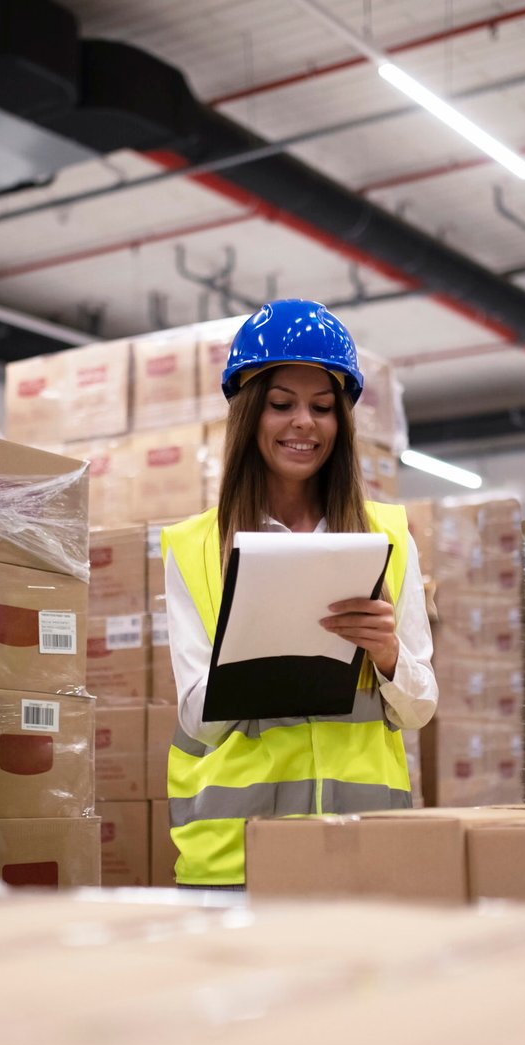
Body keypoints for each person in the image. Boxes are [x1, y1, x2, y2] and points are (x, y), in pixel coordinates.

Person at [161, 298, 438, 888]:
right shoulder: (193, 547)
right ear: (249, 415)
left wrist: (388, 657)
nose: (303, 423)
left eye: (321, 407)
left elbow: (420, 708)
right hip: (236, 855)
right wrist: (256, 649)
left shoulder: (387, 535)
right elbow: (196, 720)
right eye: (281, 405)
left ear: (342, 421)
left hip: (364, 847)